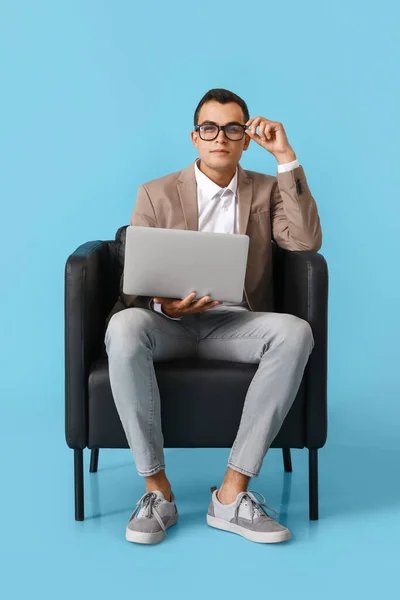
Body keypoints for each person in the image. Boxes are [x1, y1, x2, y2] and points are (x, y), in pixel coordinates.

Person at [105, 88, 322, 545]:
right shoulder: (155, 192)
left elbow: (305, 243)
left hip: (235, 326)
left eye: (231, 128)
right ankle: (156, 491)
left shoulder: (266, 188)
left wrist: (286, 157)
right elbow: (136, 280)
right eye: (209, 128)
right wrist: (166, 305)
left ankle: (231, 495)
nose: (219, 136)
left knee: (296, 332)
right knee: (123, 326)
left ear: (245, 138)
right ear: (195, 137)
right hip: (168, 324)